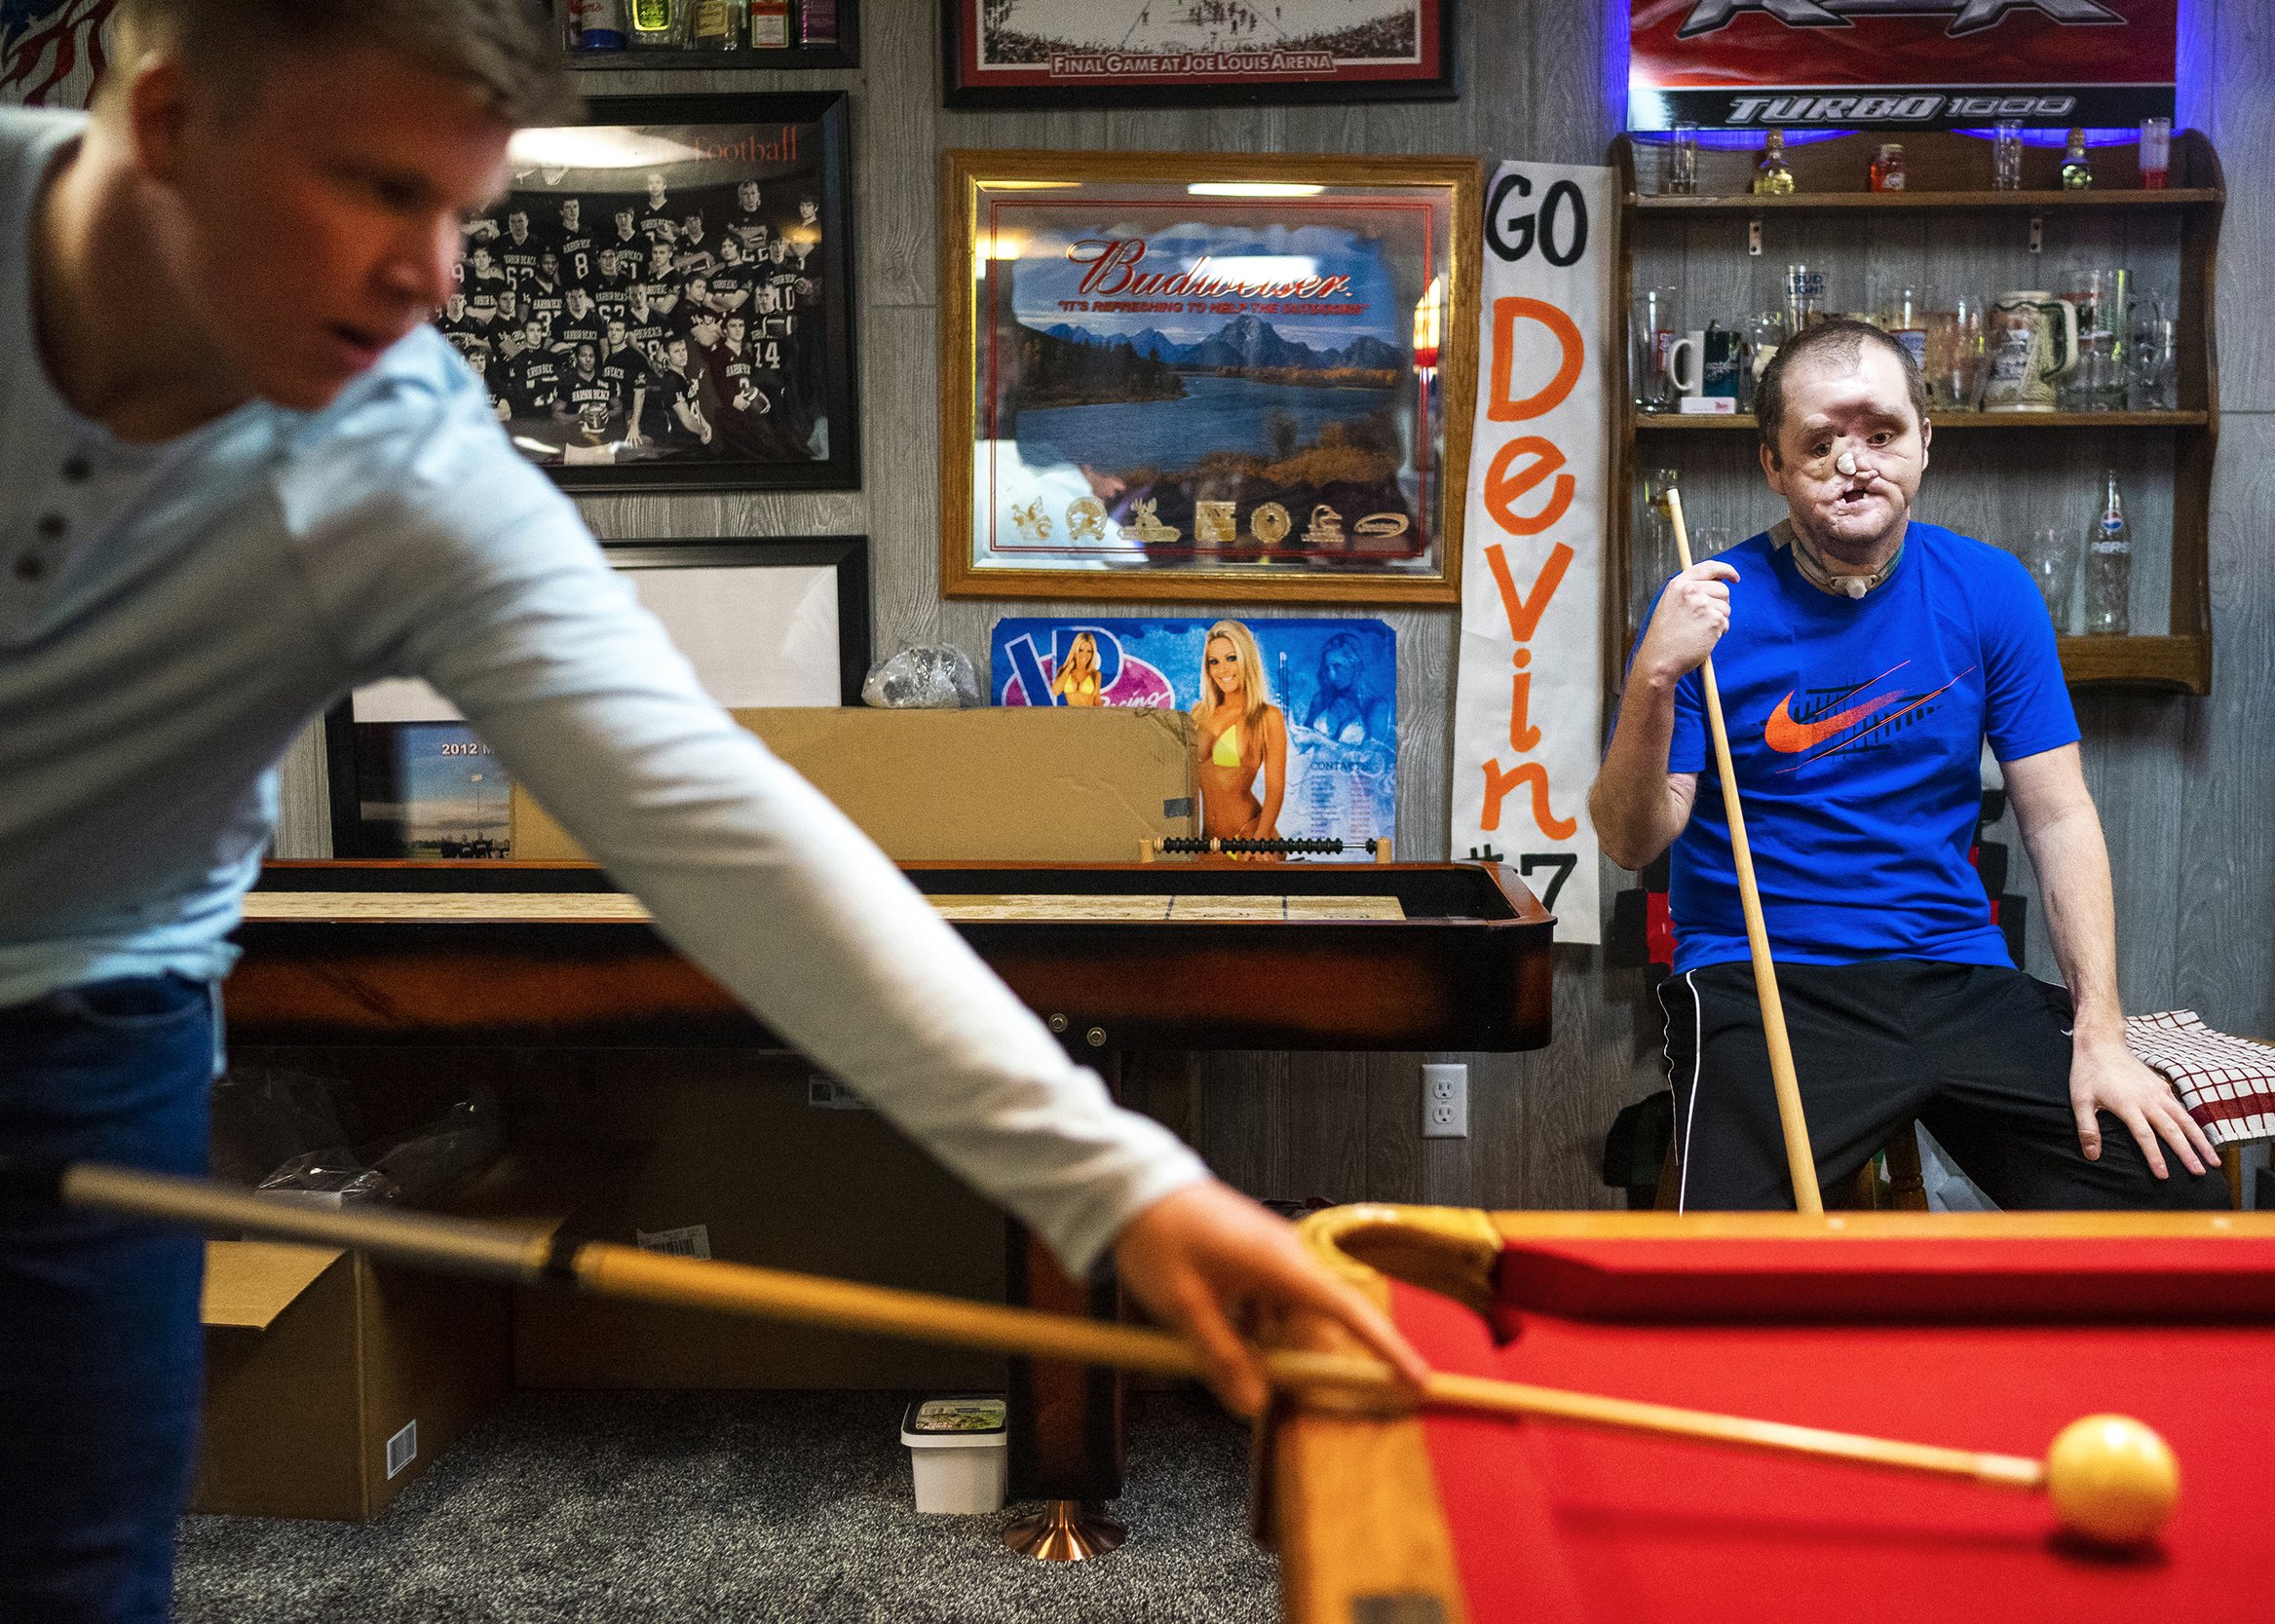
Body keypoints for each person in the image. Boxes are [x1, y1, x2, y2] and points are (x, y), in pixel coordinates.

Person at [0, 6, 1425, 1620]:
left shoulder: (401, 463)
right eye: (380, 188)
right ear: (173, 123)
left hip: (92, 1021)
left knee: (64, 1564)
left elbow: (719, 822)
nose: (438, 276)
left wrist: (1118, 1182)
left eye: (464, 211)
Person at [1587, 320, 2221, 1212]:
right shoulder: (1704, 607)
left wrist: (2101, 1031)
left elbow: (2058, 815)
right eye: (1820, 442)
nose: (1855, 462)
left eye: (1881, 433)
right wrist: (1655, 673)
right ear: (1773, 464)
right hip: (1765, 977)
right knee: (1730, 1262)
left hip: (1955, 969)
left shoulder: (1992, 590)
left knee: (2174, 1202)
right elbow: (1630, 837)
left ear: (1926, 443)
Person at [1191, 620, 1288, 844]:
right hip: (1207, 840)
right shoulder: (1199, 712)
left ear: (1246, 659)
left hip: (1247, 835)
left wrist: (1261, 836)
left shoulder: (1267, 717)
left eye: (1231, 658)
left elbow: (1275, 789)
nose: (1222, 669)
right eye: (1214, 662)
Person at [1049, 630, 1104, 706]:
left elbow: (1097, 702)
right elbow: (1055, 691)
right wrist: (1068, 668)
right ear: (1075, 650)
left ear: (1093, 653)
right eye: (1081, 650)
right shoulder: (1064, 670)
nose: (1084, 655)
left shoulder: (1096, 674)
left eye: (1089, 651)